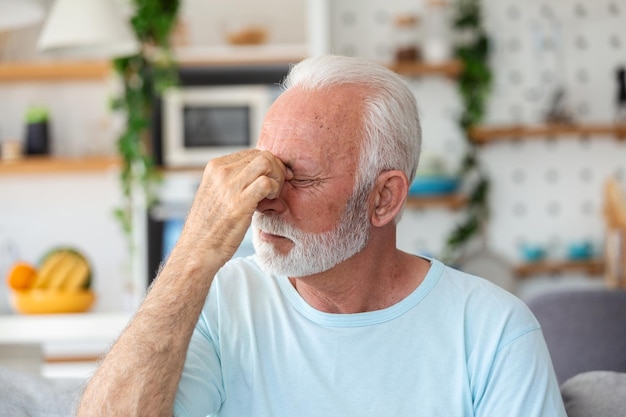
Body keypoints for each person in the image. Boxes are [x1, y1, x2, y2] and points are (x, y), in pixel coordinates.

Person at [76, 55, 566, 417]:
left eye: (298, 178)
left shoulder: (493, 332)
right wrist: (194, 253)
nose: (263, 199)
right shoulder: (222, 304)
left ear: (383, 199)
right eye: (262, 170)